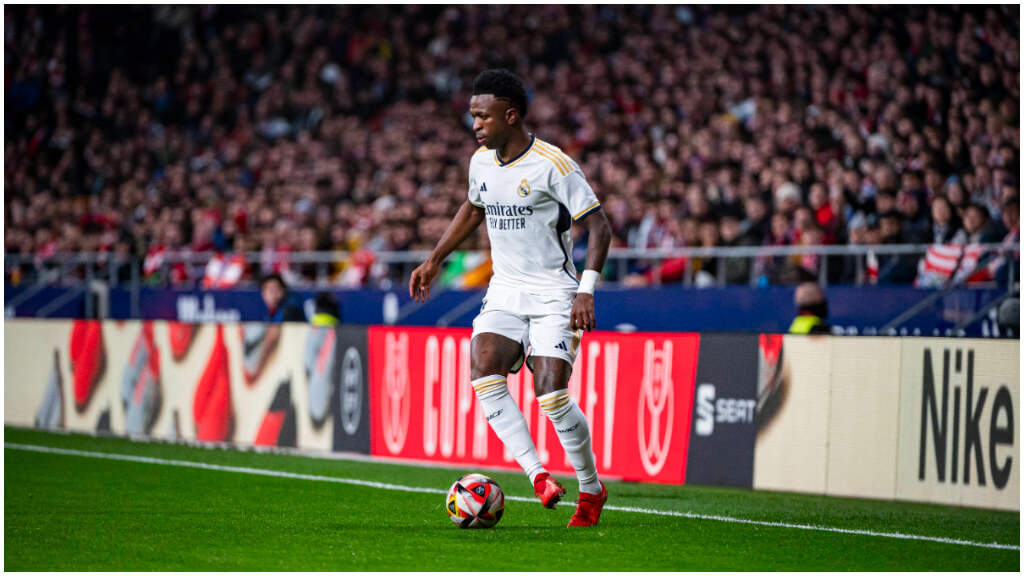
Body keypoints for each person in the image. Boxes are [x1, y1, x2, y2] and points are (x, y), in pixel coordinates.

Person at [409, 69, 613, 527]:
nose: (475, 124)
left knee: (551, 394)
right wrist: (435, 258)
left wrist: (586, 291)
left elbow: (599, 226)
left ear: (511, 114)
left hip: (555, 292)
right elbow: (474, 206)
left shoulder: (553, 165)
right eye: (472, 116)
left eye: (482, 116)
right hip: (505, 288)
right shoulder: (481, 161)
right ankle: (538, 476)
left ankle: (592, 488)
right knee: (483, 370)